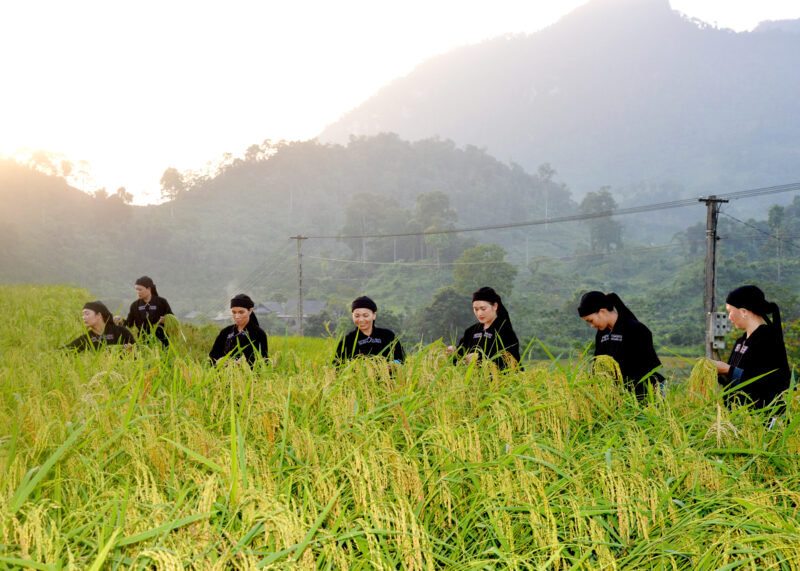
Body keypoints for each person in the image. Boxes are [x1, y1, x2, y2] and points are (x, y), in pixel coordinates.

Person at [711, 285, 791, 410]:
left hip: (762, 419)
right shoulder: (740, 342)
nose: (729, 317)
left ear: (743, 311)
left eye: (730, 311)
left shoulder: (768, 339)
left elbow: (766, 382)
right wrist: (716, 372)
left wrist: (728, 370)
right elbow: (735, 380)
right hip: (739, 417)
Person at [578, 291, 664, 398]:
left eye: (591, 320)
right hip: (620, 394)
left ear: (602, 312)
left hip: (645, 392)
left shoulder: (636, 329)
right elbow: (598, 363)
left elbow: (646, 367)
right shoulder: (602, 334)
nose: (591, 325)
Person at [447, 286, 521, 370]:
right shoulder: (470, 331)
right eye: (476, 309)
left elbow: (512, 363)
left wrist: (479, 359)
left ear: (495, 306)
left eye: (483, 309)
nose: (479, 313)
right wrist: (454, 352)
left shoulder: (506, 332)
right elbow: (460, 357)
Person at [334, 296, 404, 366]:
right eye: (357, 316)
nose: (361, 320)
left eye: (365, 315)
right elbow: (336, 366)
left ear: (374, 315)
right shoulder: (348, 340)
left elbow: (401, 360)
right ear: (352, 316)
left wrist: (393, 365)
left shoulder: (388, 336)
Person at [209, 294, 268, 366]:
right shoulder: (225, 332)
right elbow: (213, 356)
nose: (237, 316)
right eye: (234, 312)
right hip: (224, 374)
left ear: (250, 311)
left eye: (241, 312)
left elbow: (263, 360)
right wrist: (219, 361)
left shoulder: (258, 333)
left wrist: (243, 363)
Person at [117, 276, 173, 346]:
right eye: (136, 289)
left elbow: (172, 319)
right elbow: (129, 324)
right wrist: (121, 321)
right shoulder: (135, 305)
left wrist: (165, 320)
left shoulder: (161, 302)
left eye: (140, 290)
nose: (138, 292)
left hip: (162, 341)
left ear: (149, 289)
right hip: (143, 341)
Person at [64, 301, 136, 351]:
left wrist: (131, 353)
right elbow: (66, 350)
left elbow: (140, 352)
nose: (83, 317)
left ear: (99, 315)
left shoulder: (121, 332)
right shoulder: (87, 338)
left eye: (87, 314)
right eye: (83, 315)